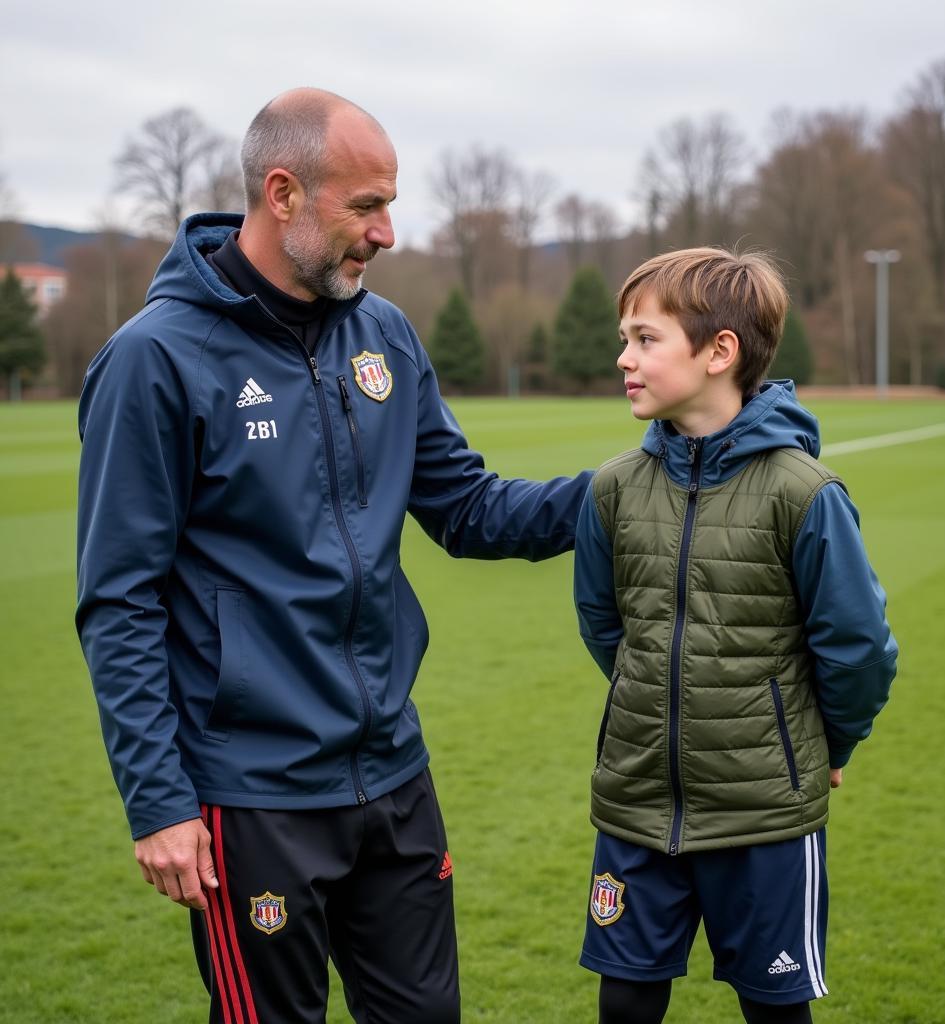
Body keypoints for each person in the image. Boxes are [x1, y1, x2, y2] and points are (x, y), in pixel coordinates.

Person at [76, 88, 591, 1024]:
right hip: (253, 795)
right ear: (282, 193)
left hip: (392, 771)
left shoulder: (383, 334)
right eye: (366, 207)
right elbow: (120, 601)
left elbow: (467, 508)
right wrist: (158, 803)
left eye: (390, 204)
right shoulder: (154, 360)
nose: (388, 232)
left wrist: (623, 497)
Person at [572, 248, 897, 1024]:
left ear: (720, 352)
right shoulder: (613, 488)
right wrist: (655, 703)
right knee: (623, 1003)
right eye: (625, 338)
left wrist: (825, 746)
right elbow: (604, 623)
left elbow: (858, 649)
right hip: (638, 804)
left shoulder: (805, 493)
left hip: (764, 815)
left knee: (774, 1009)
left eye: (646, 339)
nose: (625, 357)